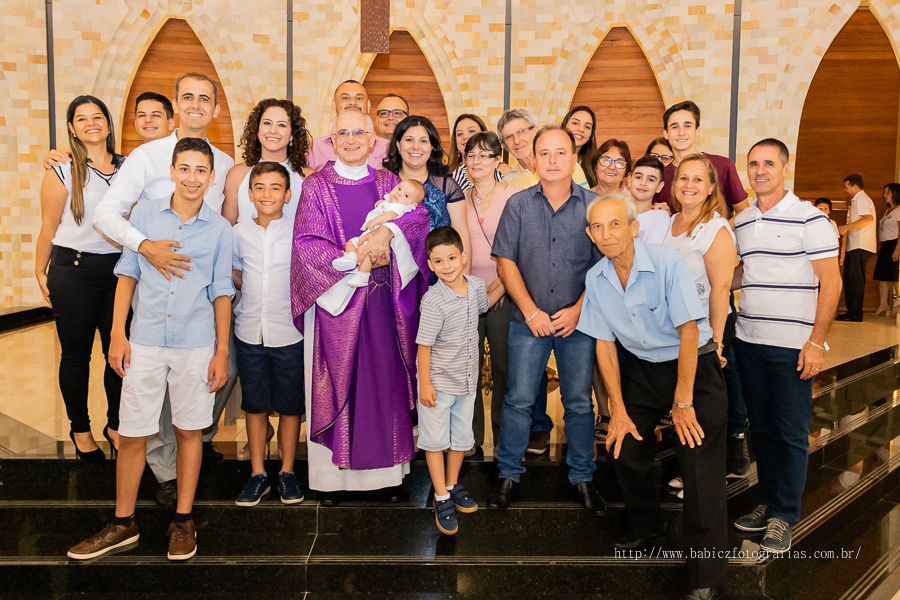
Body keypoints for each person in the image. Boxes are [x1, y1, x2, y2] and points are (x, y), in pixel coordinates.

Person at [68, 137, 234, 562]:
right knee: (133, 431)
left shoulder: (219, 229)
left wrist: (220, 351)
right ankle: (122, 522)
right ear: (173, 171)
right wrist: (118, 335)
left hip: (195, 344)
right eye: (185, 168)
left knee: (188, 430)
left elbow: (220, 292)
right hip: (144, 339)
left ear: (211, 177)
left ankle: (182, 519)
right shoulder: (143, 214)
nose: (192, 178)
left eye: (201, 170)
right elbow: (127, 274)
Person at [92, 72, 237, 507]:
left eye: (205, 99)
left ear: (215, 109)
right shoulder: (146, 157)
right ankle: (159, 477)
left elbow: (226, 231)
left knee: (189, 414)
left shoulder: (226, 164)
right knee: (142, 415)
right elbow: (107, 216)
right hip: (153, 304)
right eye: (187, 97)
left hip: (197, 309)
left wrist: (221, 344)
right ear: (176, 106)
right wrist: (144, 245)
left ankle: (183, 489)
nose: (196, 104)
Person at [577, 196, 729, 600]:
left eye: (614, 224)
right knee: (624, 445)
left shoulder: (667, 263)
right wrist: (618, 412)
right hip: (642, 369)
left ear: (633, 227)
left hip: (693, 365)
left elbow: (690, 333)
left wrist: (683, 402)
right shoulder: (596, 278)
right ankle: (648, 529)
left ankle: (706, 575)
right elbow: (604, 345)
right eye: (597, 227)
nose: (606, 234)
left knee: (698, 462)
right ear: (590, 234)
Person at [291, 109, 430, 504]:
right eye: (342, 133)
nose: (351, 139)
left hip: (385, 305)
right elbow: (306, 246)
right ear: (331, 141)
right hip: (336, 303)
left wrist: (390, 232)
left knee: (382, 382)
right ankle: (332, 480)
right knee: (337, 382)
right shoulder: (315, 186)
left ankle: (386, 477)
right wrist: (355, 268)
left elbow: (418, 222)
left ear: (373, 141)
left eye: (359, 132)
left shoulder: (390, 182)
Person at [732, 138, 841, 555]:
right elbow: (747, 273)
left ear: (784, 168)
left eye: (768, 164)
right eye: (754, 164)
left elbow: (829, 282)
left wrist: (816, 342)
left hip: (793, 346)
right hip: (749, 340)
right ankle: (769, 501)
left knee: (790, 431)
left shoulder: (810, 219)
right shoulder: (743, 222)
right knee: (760, 430)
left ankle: (785, 515)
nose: (760, 171)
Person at [488, 126, 604, 515]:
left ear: (575, 158)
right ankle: (508, 473)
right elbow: (506, 261)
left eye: (561, 153)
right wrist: (532, 311)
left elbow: (606, 266)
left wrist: (578, 311)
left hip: (578, 323)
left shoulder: (594, 206)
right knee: (519, 400)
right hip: (527, 321)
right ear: (534, 160)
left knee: (579, 403)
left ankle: (582, 476)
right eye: (545, 153)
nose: (553, 160)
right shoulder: (518, 204)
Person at [35, 96, 126, 460]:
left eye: (98, 116)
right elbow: (49, 226)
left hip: (119, 272)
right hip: (72, 271)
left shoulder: (127, 167)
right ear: (71, 127)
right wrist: (39, 271)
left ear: (108, 123)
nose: (91, 123)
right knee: (75, 356)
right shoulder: (61, 169)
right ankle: (80, 428)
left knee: (118, 355)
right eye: (82, 118)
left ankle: (115, 424)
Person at [231, 162, 305, 506]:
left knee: (290, 406)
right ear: (249, 194)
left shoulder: (298, 232)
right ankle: (258, 473)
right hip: (249, 331)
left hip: (289, 332)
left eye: (276, 188)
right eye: (259, 187)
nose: (267, 194)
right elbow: (234, 273)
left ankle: (287, 471)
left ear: (288, 195)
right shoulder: (237, 233)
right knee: (255, 404)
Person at [664, 155, 737, 498]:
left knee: (700, 409)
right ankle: (688, 471)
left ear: (710, 188)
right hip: (671, 333)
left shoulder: (715, 228)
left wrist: (718, 341)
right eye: (683, 178)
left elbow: (720, 288)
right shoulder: (671, 220)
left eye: (697, 180)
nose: (689, 185)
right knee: (681, 406)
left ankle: (705, 481)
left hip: (703, 333)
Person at [417, 226, 496, 534]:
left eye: (452, 257)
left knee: (461, 439)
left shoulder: (475, 286)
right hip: (438, 383)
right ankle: (440, 495)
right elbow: (424, 346)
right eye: (438, 261)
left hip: (467, 383)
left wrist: (506, 277)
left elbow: (484, 305)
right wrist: (425, 384)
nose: (447, 265)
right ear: (430, 264)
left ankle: (451, 484)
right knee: (435, 441)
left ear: (464, 257)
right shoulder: (433, 300)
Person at [462, 132, 519, 455]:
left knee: (504, 371)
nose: (476, 162)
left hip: (503, 295)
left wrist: (497, 291)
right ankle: (470, 439)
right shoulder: (459, 198)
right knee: (468, 370)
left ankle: (503, 441)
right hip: (467, 296)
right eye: (471, 156)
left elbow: (522, 251)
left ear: (498, 160)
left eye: (484, 155)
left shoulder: (514, 197)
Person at [383, 115, 472, 265]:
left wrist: (463, 284)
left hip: (441, 277)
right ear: (398, 145)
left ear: (432, 147)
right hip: (393, 278)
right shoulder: (384, 183)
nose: (416, 147)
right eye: (409, 140)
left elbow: (462, 236)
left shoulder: (447, 186)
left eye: (423, 141)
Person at [223, 98, 313, 225]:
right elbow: (227, 227)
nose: (273, 130)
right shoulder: (237, 175)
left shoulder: (308, 178)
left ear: (292, 134)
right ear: (257, 129)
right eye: (267, 123)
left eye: (281, 125)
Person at [657, 101, 749, 217]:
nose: (681, 132)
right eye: (675, 127)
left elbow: (744, 212)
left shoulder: (723, 166)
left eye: (687, 126)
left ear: (697, 130)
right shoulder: (661, 176)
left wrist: (719, 231)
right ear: (666, 133)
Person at [40, 91, 176, 169]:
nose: (148, 120)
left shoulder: (184, 159)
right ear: (135, 124)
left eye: (156, 115)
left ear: (171, 124)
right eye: (142, 115)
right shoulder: (129, 163)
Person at [332, 179, 426, 287]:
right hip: (368, 233)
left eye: (406, 195)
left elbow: (391, 214)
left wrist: (377, 220)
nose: (399, 193)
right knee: (351, 243)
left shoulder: (400, 208)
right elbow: (386, 206)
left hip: (376, 237)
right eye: (399, 188)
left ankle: (363, 275)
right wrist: (381, 203)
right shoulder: (390, 202)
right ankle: (351, 258)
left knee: (364, 250)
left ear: (413, 204)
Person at [499, 108, 589, 190]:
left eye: (521, 132)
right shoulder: (507, 182)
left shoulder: (568, 165)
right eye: (509, 137)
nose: (516, 141)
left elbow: (587, 205)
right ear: (505, 146)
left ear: (535, 131)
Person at [307, 80, 388, 171]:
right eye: (345, 98)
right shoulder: (314, 149)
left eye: (359, 98)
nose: (352, 102)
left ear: (368, 105)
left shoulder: (387, 149)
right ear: (334, 105)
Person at [837, 174, 877, 321]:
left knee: (855, 280)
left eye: (846, 187)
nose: (845, 190)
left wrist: (846, 227)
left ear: (854, 186)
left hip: (860, 246)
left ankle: (855, 313)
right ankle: (852, 311)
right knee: (850, 279)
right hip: (855, 246)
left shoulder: (862, 199)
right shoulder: (858, 200)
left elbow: (868, 219)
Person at [447, 114, 508, 192]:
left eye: (471, 131)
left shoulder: (504, 171)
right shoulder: (448, 177)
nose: (465, 136)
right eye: (459, 134)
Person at [629, 154, 669, 244]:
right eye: (638, 177)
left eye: (651, 179)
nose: (643, 183)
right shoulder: (617, 210)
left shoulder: (660, 217)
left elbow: (650, 253)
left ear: (659, 186)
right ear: (629, 180)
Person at [874, 183, 900, 316]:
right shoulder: (887, 210)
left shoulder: (899, 210)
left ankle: (899, 307)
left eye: (887, 193)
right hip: (886, 245)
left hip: (895, 245)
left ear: (895, 194)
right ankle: (884, 305)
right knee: (883, 276)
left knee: (895, 277)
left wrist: (898, 249)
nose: (884, 195)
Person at [562, 105, 598, 187]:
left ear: (590, 136)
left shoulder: (594, 167)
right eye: (575, 123)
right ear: (564, 126)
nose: (581, 129)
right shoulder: (548, 158)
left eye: (587, 127)